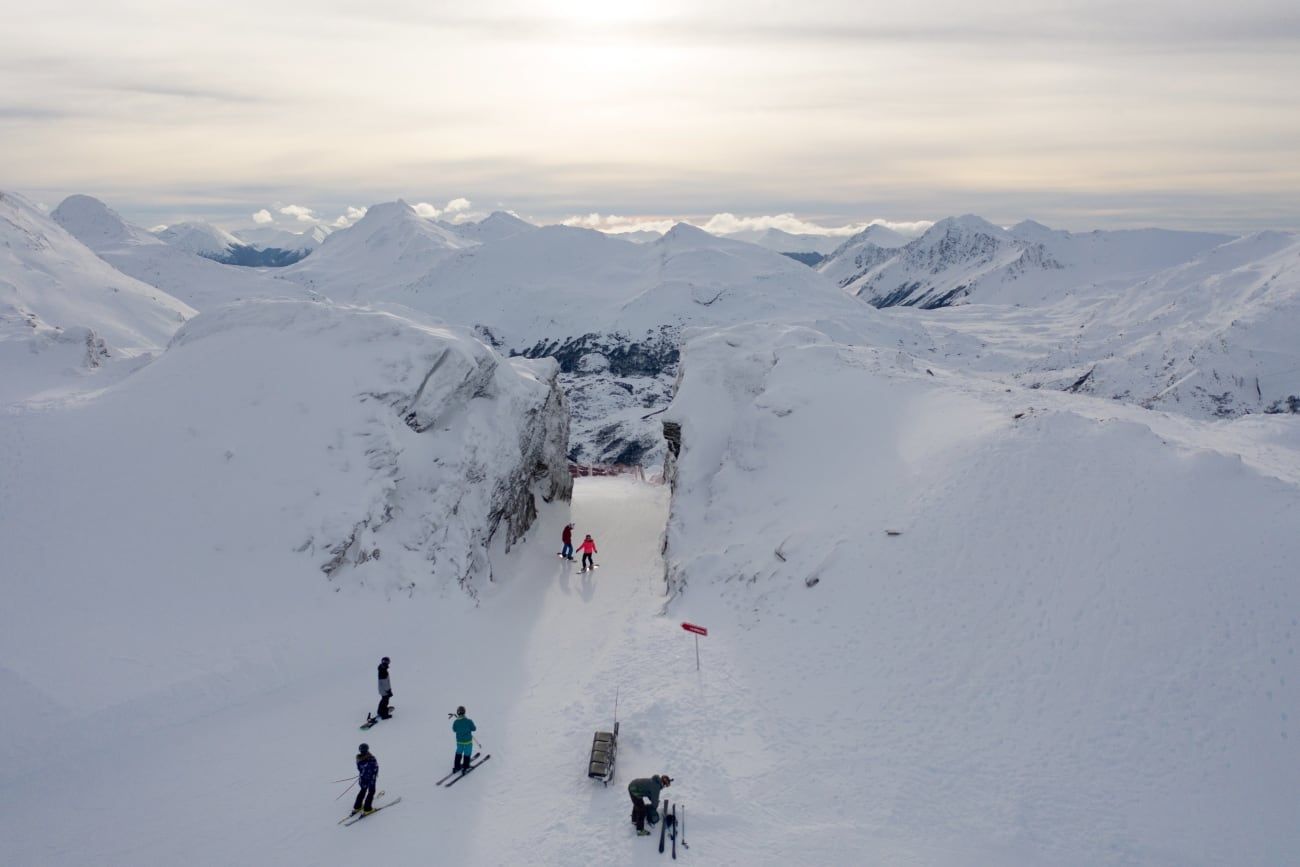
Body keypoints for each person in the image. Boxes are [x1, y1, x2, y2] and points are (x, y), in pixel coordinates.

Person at [352, 743, 379, 815]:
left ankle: (357, 806)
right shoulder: (371, 758)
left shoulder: (359, 758)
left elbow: (361, 768)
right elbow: (374, 767)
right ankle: (367, 808)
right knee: (371, 791)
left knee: (363, 790)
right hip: (370, 779)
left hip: (363, 778)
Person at [452, 706, 477, 773]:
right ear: (464, 712)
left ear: (458, 713)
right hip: (467, 741)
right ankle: (466, 767)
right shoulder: (469, 721)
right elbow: (474, 728)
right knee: (467, 753)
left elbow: (454, 729)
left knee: (459, 752)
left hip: (459, 742)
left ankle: (456, 766)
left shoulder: (456, 722)